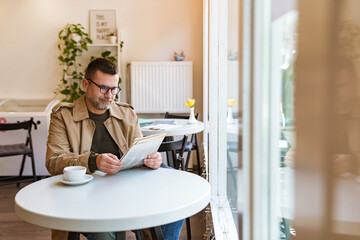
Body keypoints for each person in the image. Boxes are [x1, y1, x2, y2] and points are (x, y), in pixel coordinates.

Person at [46, 58, 184, 240]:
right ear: (85, 84)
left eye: (114, 89)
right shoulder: (63, 116)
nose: (110, 95)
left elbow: (139, 149)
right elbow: (54, 161)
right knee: (105, 235)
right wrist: (93, 161)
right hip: (85, 197)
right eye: (103, 88)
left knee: (176, 207)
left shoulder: (127, 113)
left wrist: (152, 159)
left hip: (126, 191)